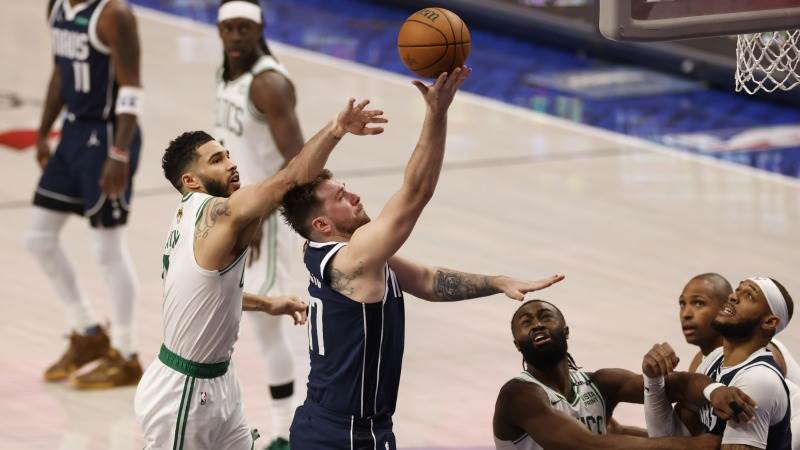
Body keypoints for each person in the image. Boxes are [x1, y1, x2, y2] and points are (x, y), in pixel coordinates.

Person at [280, 66, 564, 449]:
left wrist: (497, 282)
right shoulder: (354, 260)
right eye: (342, 199)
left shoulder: (328, 252)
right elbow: (415, 193)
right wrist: (437, 113)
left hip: (335, 423)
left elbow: (428, 282)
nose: (355, 197)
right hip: (346, 433)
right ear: (322, 223)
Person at [134, 98, 386, 450]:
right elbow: (291, 178)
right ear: (190, 180)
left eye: (227, 155)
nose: (231, 164)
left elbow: (202, 296)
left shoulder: (188, 217)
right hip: (183, 391)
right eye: (217, 160)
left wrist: (267, 304)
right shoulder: (219, 213)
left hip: (218, 382)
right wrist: (336, 129)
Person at [26, 0, 144, 388]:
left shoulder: (114, 15)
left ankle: (126, 354)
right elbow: (60, 73)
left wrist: (120, 152)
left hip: (108, 136)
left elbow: (131, 88)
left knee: (107, 249)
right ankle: (88, 333)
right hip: (73, 133)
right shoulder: (56, 6)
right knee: (39, 238)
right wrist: (45, 130)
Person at [214, 1, 304, 447]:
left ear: (259, 29)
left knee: (269, 322)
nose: (235, 36)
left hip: (265, 222)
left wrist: (254, 218)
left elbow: (300, 164)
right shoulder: (227, 73)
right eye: (228, 28)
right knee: (247, 321)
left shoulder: (268, 83)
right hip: (238, 215)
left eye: (243, 28)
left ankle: (287, 431)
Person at [492, 299, 748, 450]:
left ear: (566, 331)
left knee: (687, 411)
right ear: (517, 345)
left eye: (545, 317)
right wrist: (691, 446)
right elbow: (587, 446)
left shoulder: (599, 382)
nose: (537, 323)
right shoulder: (518, 395)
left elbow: (678, 384)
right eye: (526, 322)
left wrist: (714, 391)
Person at [645, 277, 794, 449]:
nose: (733, 297)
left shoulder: (758, 379)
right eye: (737, 290)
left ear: (769, 322)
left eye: (749, 296)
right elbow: (667, 439)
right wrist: (653, 379)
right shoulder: (715, 358)